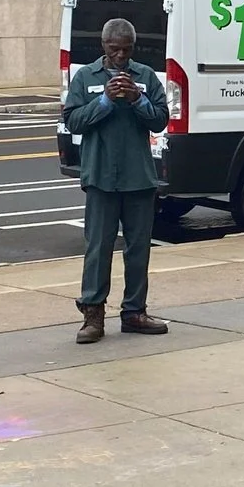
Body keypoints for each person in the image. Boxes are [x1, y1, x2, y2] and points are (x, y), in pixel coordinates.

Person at [63, 17, 171, 343]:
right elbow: (73, 121)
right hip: (100, 178)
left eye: (127, 49)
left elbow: (161, 120)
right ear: (103, 46)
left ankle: (135, 312)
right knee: (98, 248)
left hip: (138, 177)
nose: (121, 56)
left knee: (138, 249)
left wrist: (139, 100)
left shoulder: (146, 77)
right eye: (115, 49)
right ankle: (93, 315)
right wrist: (105, 101)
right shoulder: (86, 77)